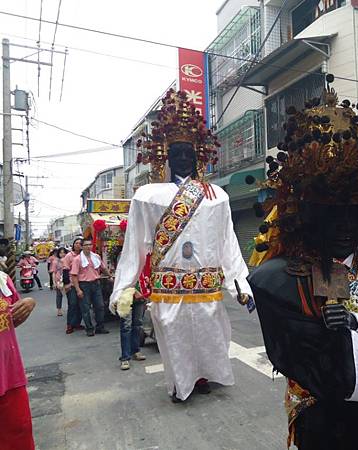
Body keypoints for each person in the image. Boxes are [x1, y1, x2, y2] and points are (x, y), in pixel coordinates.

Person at [248, 75, 358, 450]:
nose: (343, 227)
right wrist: (332, 333)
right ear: (304, 214)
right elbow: (298, 357)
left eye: (353, 212)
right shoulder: (277, 280)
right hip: (321, 415)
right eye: (328, 214)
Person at [110, 89, 254, 402]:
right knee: (173, 335)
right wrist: (124, 285)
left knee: (208, 333)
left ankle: (204, 376)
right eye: (177, 153)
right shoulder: (148, 195)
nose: (184, 158)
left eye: (189, 153)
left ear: (198, 154)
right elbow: (135, 245)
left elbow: (227, 242)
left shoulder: (217, 195)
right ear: (166, 155)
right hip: (168, 285)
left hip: (206, 283)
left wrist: (241, 285)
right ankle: (180, 384)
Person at [0, 268, 36, 450]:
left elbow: (11, 318)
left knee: (20, 432)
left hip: (9, 374)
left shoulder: (3, 280)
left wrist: (28, 303)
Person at [70, 239, 111, 337]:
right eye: (86, 245)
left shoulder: (96, 257)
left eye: (90, 244)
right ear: (82, 246)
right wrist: (78, 290)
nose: (89, 246)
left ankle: (100, 327)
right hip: (84, 285)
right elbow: (74, 275)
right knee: (85, 308)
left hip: (96, 284)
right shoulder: (77, 259)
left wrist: (110, 276)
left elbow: (103, 268)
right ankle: (89, 328)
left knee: (100, 306)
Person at [63, 238, 84, 334]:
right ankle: (70, 325)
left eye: (80, 243)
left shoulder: (84, 255)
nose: (78, 245)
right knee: (72, 304)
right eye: (76, 243)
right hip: (71, 284)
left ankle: (77, 323)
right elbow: (65, 270)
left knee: (81, 305)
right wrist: (66, 284)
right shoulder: (69, 256)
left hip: (83, 283)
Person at [51, 247, 68, 317]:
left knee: (70, 295)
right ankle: (59, 309)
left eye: (64, 252)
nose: (62, 254)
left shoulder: (68, 260)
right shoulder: (55, 261)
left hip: (67, 280)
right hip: (59, 280)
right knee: (59, 295)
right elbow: (53, 273)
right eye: (61, 253)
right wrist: (54, 283)